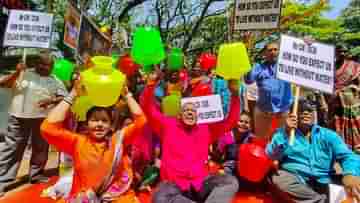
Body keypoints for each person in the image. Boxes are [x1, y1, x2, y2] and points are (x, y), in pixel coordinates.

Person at [141, 71, 240, 203]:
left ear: (197, 116)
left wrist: (235, 95)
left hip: (200, 184)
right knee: (159, 197)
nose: (190, 113)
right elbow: (148, 108)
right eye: (186, 110)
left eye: (193, 111)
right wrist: (150, 85)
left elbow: (231, 121)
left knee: (229, 181)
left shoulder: (206, 129)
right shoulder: (167, 126)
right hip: (174, 186)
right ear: (179, 115)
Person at [40, 80, 146, 203]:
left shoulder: (117, 141)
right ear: (86, 124)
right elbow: (47, 128)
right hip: (83, 199)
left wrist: (127, 95)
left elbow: (141, 121)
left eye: (104, 121)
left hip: (116, 198)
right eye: (95, 120)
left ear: (111, 126)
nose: (99, 124)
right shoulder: (77, 141)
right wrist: (73, 94)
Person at [266, 99, 360, 203]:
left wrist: (350, 174)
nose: (306, 112)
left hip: (325, 181)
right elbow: (271, 155)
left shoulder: (328, 135)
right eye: (301, 109)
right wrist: (285, 133)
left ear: (314, 114)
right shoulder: (282, 133)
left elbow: (348, 156)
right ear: (292, 114)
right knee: (278, 178)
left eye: (310, 110)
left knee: (355, 179)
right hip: (297, 180)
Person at [0, 52, 67, 196]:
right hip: (19, 117)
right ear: (36, 63)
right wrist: (17, 72)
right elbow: (4, 84)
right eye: (41, 64)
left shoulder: (55, 80)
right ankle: (2, 181)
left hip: (42, 119)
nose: (44, 67)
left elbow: (64, 97)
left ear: (52, 67)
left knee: (41, 148)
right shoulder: (24, 73)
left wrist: (51, 101)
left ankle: (36, 175)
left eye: (47, 65)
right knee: (12, 149)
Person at [245, 42, 293, 140]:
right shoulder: (258, 67)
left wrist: (306, 44)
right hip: (263, 112)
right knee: (261, 141)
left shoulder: (287, 66)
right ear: (265, 54)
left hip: (282, 112)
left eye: (275, 49)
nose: (273, 52)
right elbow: (248, 80)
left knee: (281, 142)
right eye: (270, 50)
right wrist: (248, 63)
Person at [222, 112, 254, 176]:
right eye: (240, 121)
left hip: (245, 166)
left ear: (251, 126)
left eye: (246, 122)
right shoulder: (227, 137)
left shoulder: (251, 138)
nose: (243, 124)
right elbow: (220, 154)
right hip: (229, 165)